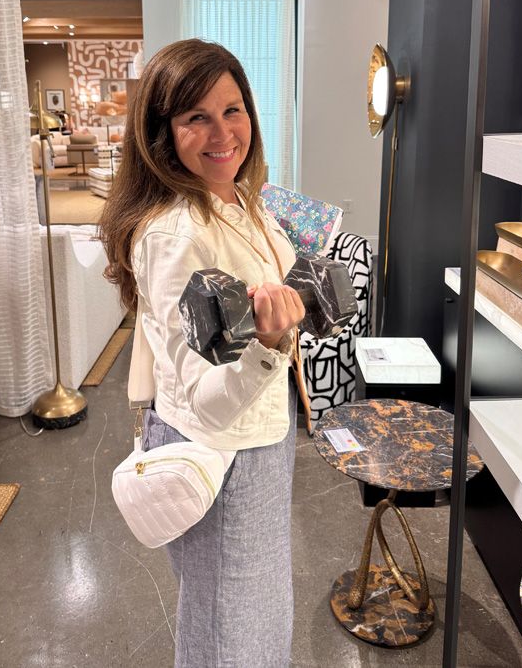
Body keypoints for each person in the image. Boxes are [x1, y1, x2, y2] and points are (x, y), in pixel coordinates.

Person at [99, 39, 312, 667]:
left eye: (232, 110)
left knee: (250, 617)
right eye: (197, 117)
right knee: (231, 638)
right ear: (163, 134)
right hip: (224, 451)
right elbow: (205, 406)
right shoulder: (175, 235)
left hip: (262, 434)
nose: (223, 133)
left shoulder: (238, 199)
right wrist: (269, 346)